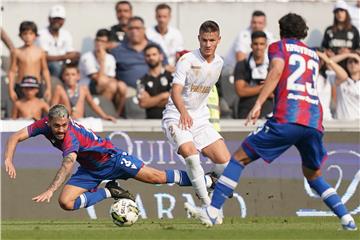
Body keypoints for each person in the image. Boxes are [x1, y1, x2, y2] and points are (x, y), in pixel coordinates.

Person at [184, 13, 358, 231]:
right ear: (303, 32)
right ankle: (347, 218)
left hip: (288, 117)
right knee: (314, 175)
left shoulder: (279, 47)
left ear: (282, 30)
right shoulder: (313, 55)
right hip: (314, 120)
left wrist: (258, 104)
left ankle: (212, 211)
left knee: (238, 159)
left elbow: (276, 70)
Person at [4, 104, 216, 211]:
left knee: (157, 177)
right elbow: (15, 136)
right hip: (90, 169)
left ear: (69, 121)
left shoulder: (71, 137)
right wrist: (8, 159)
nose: (60, 130)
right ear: (48, 122)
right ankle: (109, 191)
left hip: (112, 159)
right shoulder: (42, 125)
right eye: (56, 126)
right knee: (66, 203)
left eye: (64, 125)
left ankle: (207, 180)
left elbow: (68, 164)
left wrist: (50, 189)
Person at [162, 20, 230, 212]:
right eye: (204, 40)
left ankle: (205, 181)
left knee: (226, 165)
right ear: (198, 39)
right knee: (192, 158)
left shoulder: (219, 63)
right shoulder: (187, 60)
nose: (207, 44)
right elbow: (175, 91)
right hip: (177, 116)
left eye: (212, 40)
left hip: (200, 119)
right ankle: (207, 205)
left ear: (218, 40)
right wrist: (183, 112)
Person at [79, 29, 127, 116]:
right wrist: (102, 61)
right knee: (107, 83)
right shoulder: (87, 57)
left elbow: (111, 78)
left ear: (108, 44)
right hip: (89, 86)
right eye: (98, 40)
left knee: (121, 86)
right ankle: (103, 112)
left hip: (104, 85)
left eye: (103, 41)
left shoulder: (110, 58)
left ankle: (117, 114)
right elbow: (98, 79)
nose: (99, 43)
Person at [111, 16, 168, 88]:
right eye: (131, 28)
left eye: (137, 28)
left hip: (155, 89)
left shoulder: (155, 47)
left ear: (144, 30)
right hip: (128, 92)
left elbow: (166, 67)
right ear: (126, 31)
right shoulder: (118, 50)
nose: (134, 31)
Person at [51, 64, 116, 121]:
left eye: (73, 74)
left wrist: (104, 116)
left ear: (78, 76)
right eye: (67, 74)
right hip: (65, 123)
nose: (70, 77)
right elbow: (53, 107)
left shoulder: (83, 89)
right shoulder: (59, 89)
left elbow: (92, 104)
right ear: (63, 76)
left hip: (79, 123)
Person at [8, 21, 52, 104]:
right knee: (21, 110)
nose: (28, 37)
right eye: (25, 34)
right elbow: (12, 71)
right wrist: (11, 90)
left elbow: (45, 70)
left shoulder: (40, 52)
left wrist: (48, 88)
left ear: (35, 36)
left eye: (31, 34)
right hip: (21, 86)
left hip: (36, 86)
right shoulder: (16, 52)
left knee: (38, 111)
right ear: (20, 36)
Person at [233, 31, 273, 119]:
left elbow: (276, 93)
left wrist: (249, 88)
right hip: (246, 111)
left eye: (262, 44)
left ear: (266, 45)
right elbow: (240, 91)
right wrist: (264, 88)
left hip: (268, 111)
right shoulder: (242, 64)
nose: (258, 47)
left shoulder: (273, 65)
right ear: (251, 45)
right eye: (256, 44)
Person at [37, 5, 80, 77]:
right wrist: (64, 57)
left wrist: (75, 55)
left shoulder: (66, 34)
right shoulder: (42, 34)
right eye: (54, 19)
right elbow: (44, 57)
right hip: (46, 65)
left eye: (59, 19)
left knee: (76, 62)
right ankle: (56, 85)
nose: (57, 21)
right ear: (49, 19)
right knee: (55, 66)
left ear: (63, 20)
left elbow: (70, 52)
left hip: (63, 63)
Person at [320, 51, 360, 120]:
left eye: (356, 61)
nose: (353, 64)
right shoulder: (340, 79)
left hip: (358, 124)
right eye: (350, 62)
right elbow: (329, 63)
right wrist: (347, 54)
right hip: (341, 124)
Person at [137, 44, 172, 119]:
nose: (151, 57)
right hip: (151, 122)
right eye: (148, 55)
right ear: (145, 58)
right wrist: (163, 96)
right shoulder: (141, 81)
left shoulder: (171, 76)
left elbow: (176, 99)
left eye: (154, 54)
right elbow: (143, 103)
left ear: (161, 56)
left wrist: (150, 101)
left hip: (171, 120)